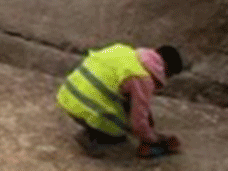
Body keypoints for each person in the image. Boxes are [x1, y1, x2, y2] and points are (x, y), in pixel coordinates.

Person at [56, 43, 185, 158]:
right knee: (118, 134)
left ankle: (93, 128)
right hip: (83, 106)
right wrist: (154, 139)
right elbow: (138, 124)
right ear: (166, 70)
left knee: (123, 108)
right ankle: (92, 138)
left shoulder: (122, 50)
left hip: (68, 95)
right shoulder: (142, 78)